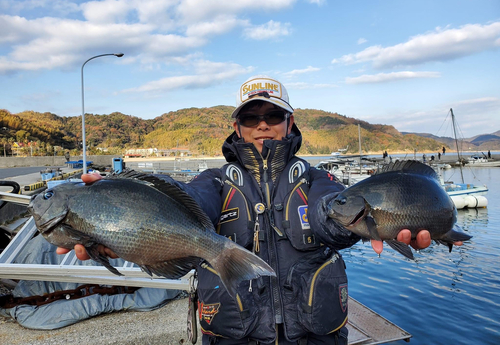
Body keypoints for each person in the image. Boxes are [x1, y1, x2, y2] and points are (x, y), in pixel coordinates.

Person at [57, 75, 450, 344]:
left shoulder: (317, 179)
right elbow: (189, 201)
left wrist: (378, 221)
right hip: (234, 334)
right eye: (251, 117)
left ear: (289, 121)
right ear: (238, 126)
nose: (263, 124)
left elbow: (329, 211)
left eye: (273, 115)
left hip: (316, 334)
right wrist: (126, 214)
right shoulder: (213, 180)